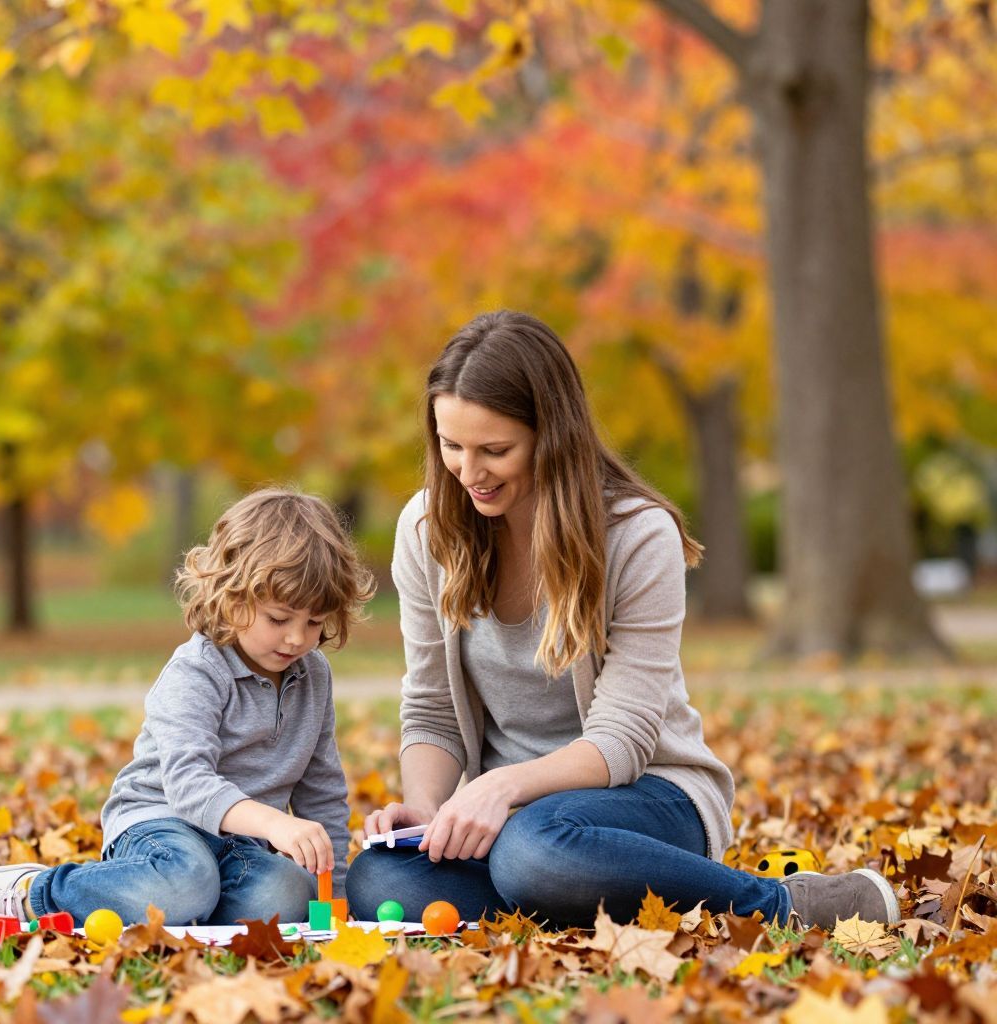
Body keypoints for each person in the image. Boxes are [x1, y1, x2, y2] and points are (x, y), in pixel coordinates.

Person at [348, 310, 899, 931]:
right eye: (451, 446)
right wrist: (426, 810)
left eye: (495, 450)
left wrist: (502, 789)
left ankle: (785, 903)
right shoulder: (427, 532)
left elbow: (624, 740)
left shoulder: (637, 535)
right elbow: (432, 708)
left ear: (550, 435)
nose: (468, 473)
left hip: (647, 796)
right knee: (378, 878)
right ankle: (584, 890)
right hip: (510, 823)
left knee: (534, 850)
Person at [0, 488, 376, 926]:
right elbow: (188, 785)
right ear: (232, 597)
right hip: (160, 824)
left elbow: (323, 791)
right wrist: (275, 823)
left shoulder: (312, 675)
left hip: (241, 847)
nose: (297, 638)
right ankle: (36, 892)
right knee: (185, 882)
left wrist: (332, 893)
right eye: (279, 619)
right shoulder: (197, 671)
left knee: (286, 893)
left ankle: (181, 907)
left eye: (314, 622)